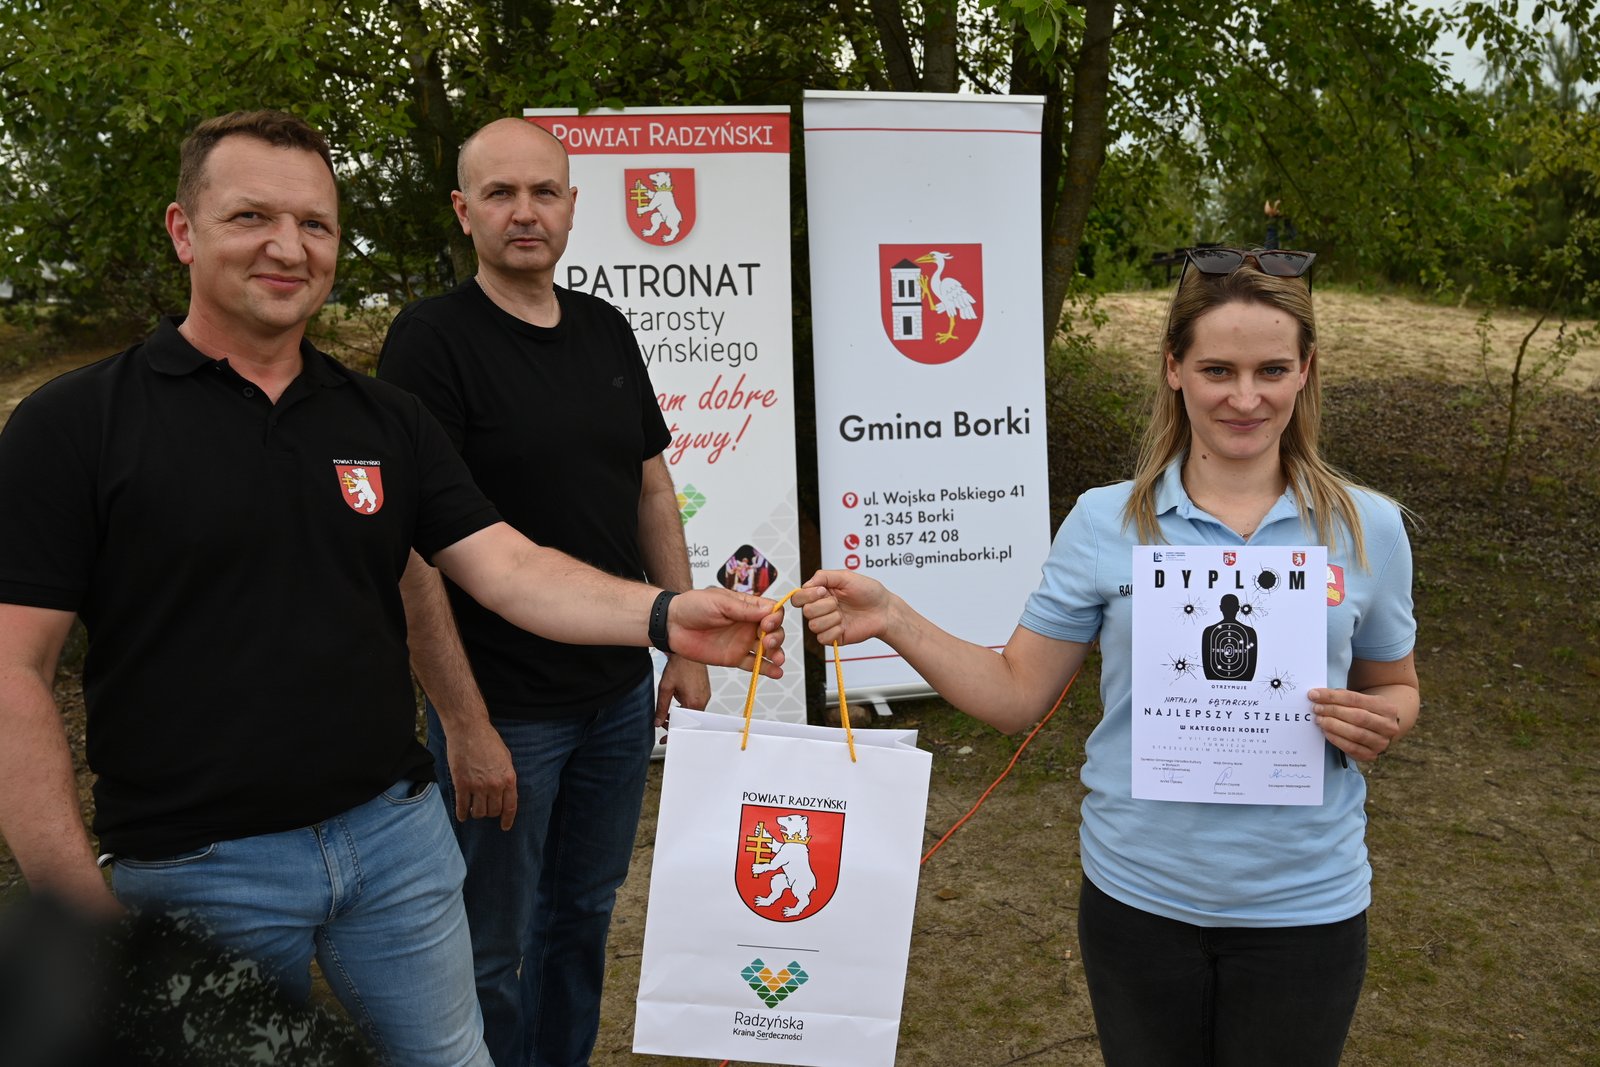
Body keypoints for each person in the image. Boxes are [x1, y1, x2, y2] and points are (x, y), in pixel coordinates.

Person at [0, 110, 784, 1067]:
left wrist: (665, 615)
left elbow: (509, 566)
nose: (288, 246)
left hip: (396, 842)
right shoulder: (74, 425)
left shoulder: (382, 419)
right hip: (201, 871)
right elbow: (13, 671)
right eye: (251, 216)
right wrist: (80, 910)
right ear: (183, 230)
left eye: (315, 224)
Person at [796, 248, 1418, 1066]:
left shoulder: (1368, 527)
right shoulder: (1104, 522)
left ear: (1305, 371)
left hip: (1305, 903)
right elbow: (1016, 692)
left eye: (1271, 369)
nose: (1245, 397)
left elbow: (1396, 684)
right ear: (1173, 369)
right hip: (1139, 898)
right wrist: (893, 617)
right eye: (1217, 369)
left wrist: (1382, 718)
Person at [375, 116, 708, 1067]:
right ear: (463, 211)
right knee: (490, 945)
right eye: (500, 193)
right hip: (506, 711)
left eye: (543, 192)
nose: (525, 212)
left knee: (583, 916)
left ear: (570, 206)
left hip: (615, 701)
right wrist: (464, 722)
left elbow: (652, 491)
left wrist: (680, 643)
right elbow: (413, 552)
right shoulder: (430, 342)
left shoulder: (605, 328)